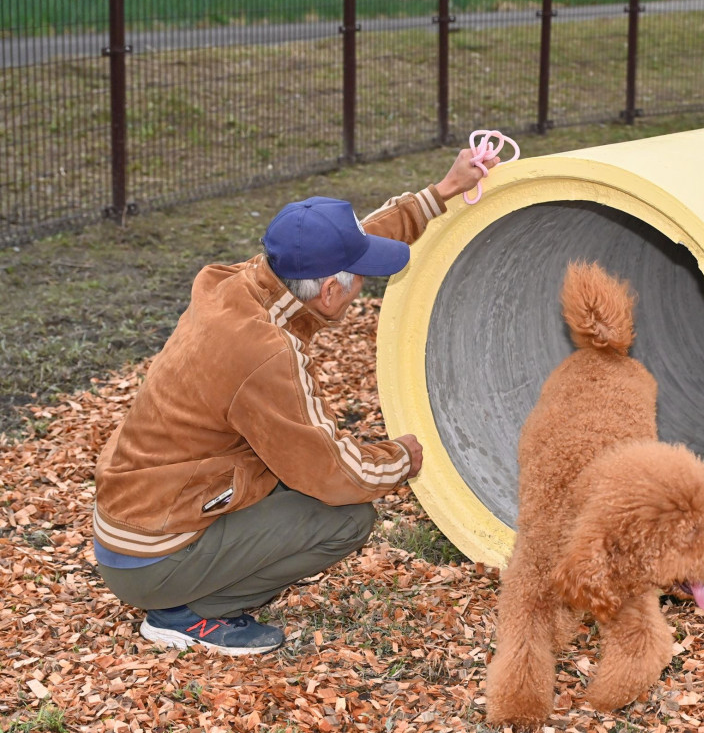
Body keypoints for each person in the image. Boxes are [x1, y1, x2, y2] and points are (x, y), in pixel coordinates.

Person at [92, 148, 498, 655]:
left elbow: (347, 242)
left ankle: (189, 587)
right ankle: (191, 616)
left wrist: (441, 192)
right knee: (347, 518)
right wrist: (402, 459)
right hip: (154, 557)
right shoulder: (265, 355)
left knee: (292, 476)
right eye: (357, 282)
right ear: (330, 292)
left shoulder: (236, 283)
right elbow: (333, 475)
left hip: (135, 517)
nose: (358, 289)